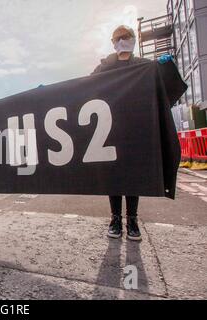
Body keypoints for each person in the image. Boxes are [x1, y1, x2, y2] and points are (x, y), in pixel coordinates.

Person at [92, 25, 150, 241]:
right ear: (113, 42)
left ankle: (132, 220)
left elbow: (164, 86)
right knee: (114, 175)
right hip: (112, 127)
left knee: (132, 175)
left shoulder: (144, 66)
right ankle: (115, 218)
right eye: (118, 38)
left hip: (135, 128)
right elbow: (85, 85)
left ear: (133, 39)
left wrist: (166, 69)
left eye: (126, 37)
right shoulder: (106, 67)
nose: (122, 41)